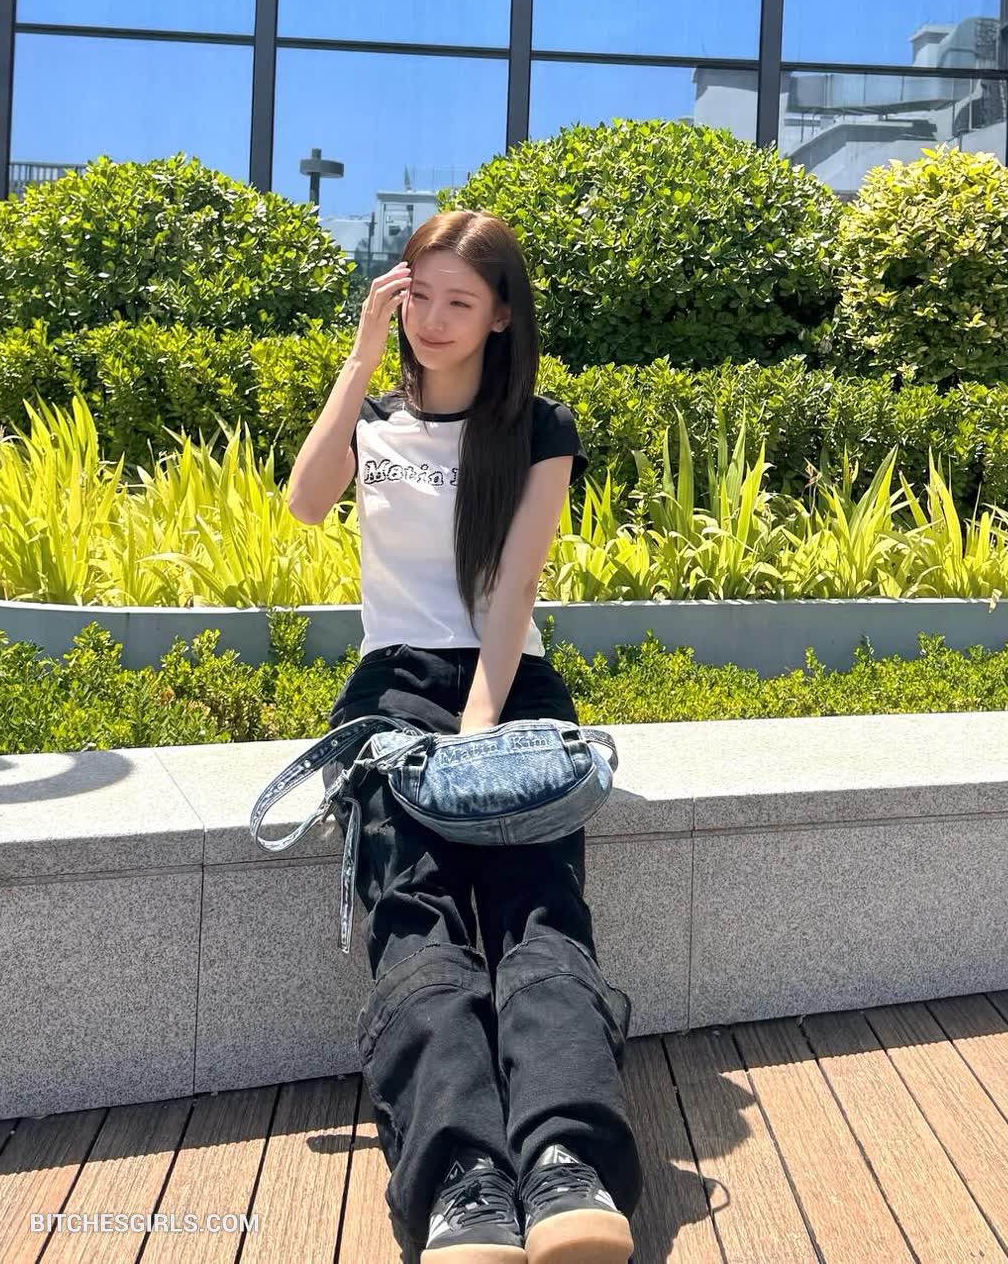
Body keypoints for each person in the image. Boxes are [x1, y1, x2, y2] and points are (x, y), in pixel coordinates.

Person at [284, 207, 643, 1264]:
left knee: (538, 905)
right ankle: (460, 1174)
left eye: (461, 301)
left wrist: (480, 731)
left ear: (500, 317)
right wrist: (358, 359)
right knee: (415, 911)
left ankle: (566, 1159)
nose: (435, 320)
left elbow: (513, 590)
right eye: (420, 296)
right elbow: (305, 502)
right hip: (393, 688)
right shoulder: (375, 418)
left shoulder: (538, 428)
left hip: (509, 682)